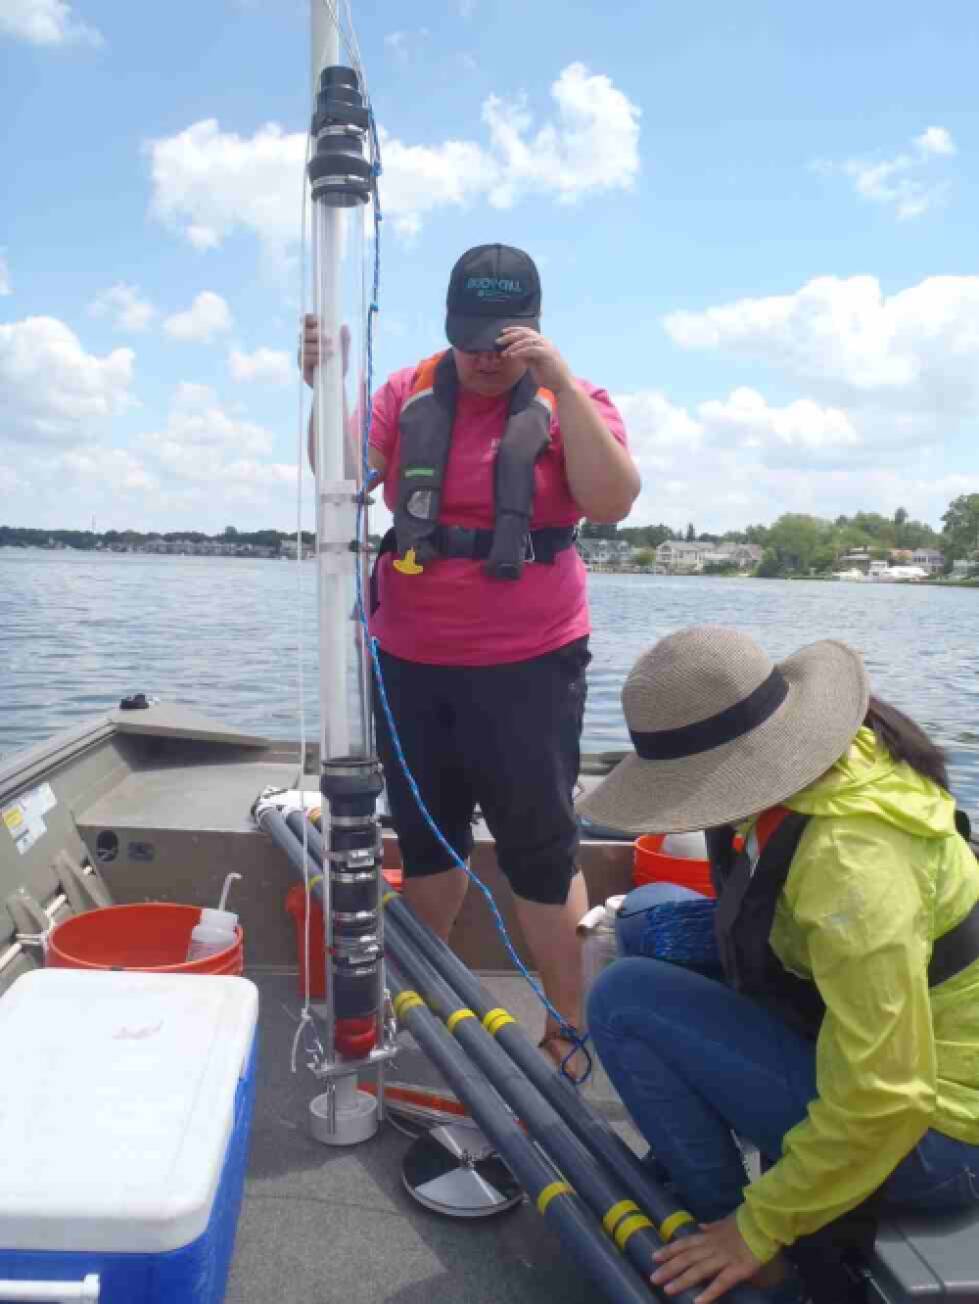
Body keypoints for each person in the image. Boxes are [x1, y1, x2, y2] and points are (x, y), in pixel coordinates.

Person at [302, 243, 639, 1065]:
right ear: (448, 327)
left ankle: (566, 1027)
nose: (486, 358)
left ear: (534, 328)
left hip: (530, 661)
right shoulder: (404, 392)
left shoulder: (574, 399)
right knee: (426, 839)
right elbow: (341, 478)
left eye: (505, 339)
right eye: (471, 338)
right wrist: (325, 386)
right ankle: (416, 1003)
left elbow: (613, 500)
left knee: (539, 847)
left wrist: (558, 382)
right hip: (410, 657)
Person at [577, 626, 979, 1304]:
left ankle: (738, 1248)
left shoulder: (851, 864)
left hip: (935, 1139)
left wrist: (756, 1227)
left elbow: (888, 1093)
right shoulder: (836, 761)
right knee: (650, 913)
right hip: (881, 1047)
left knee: (623, 999)